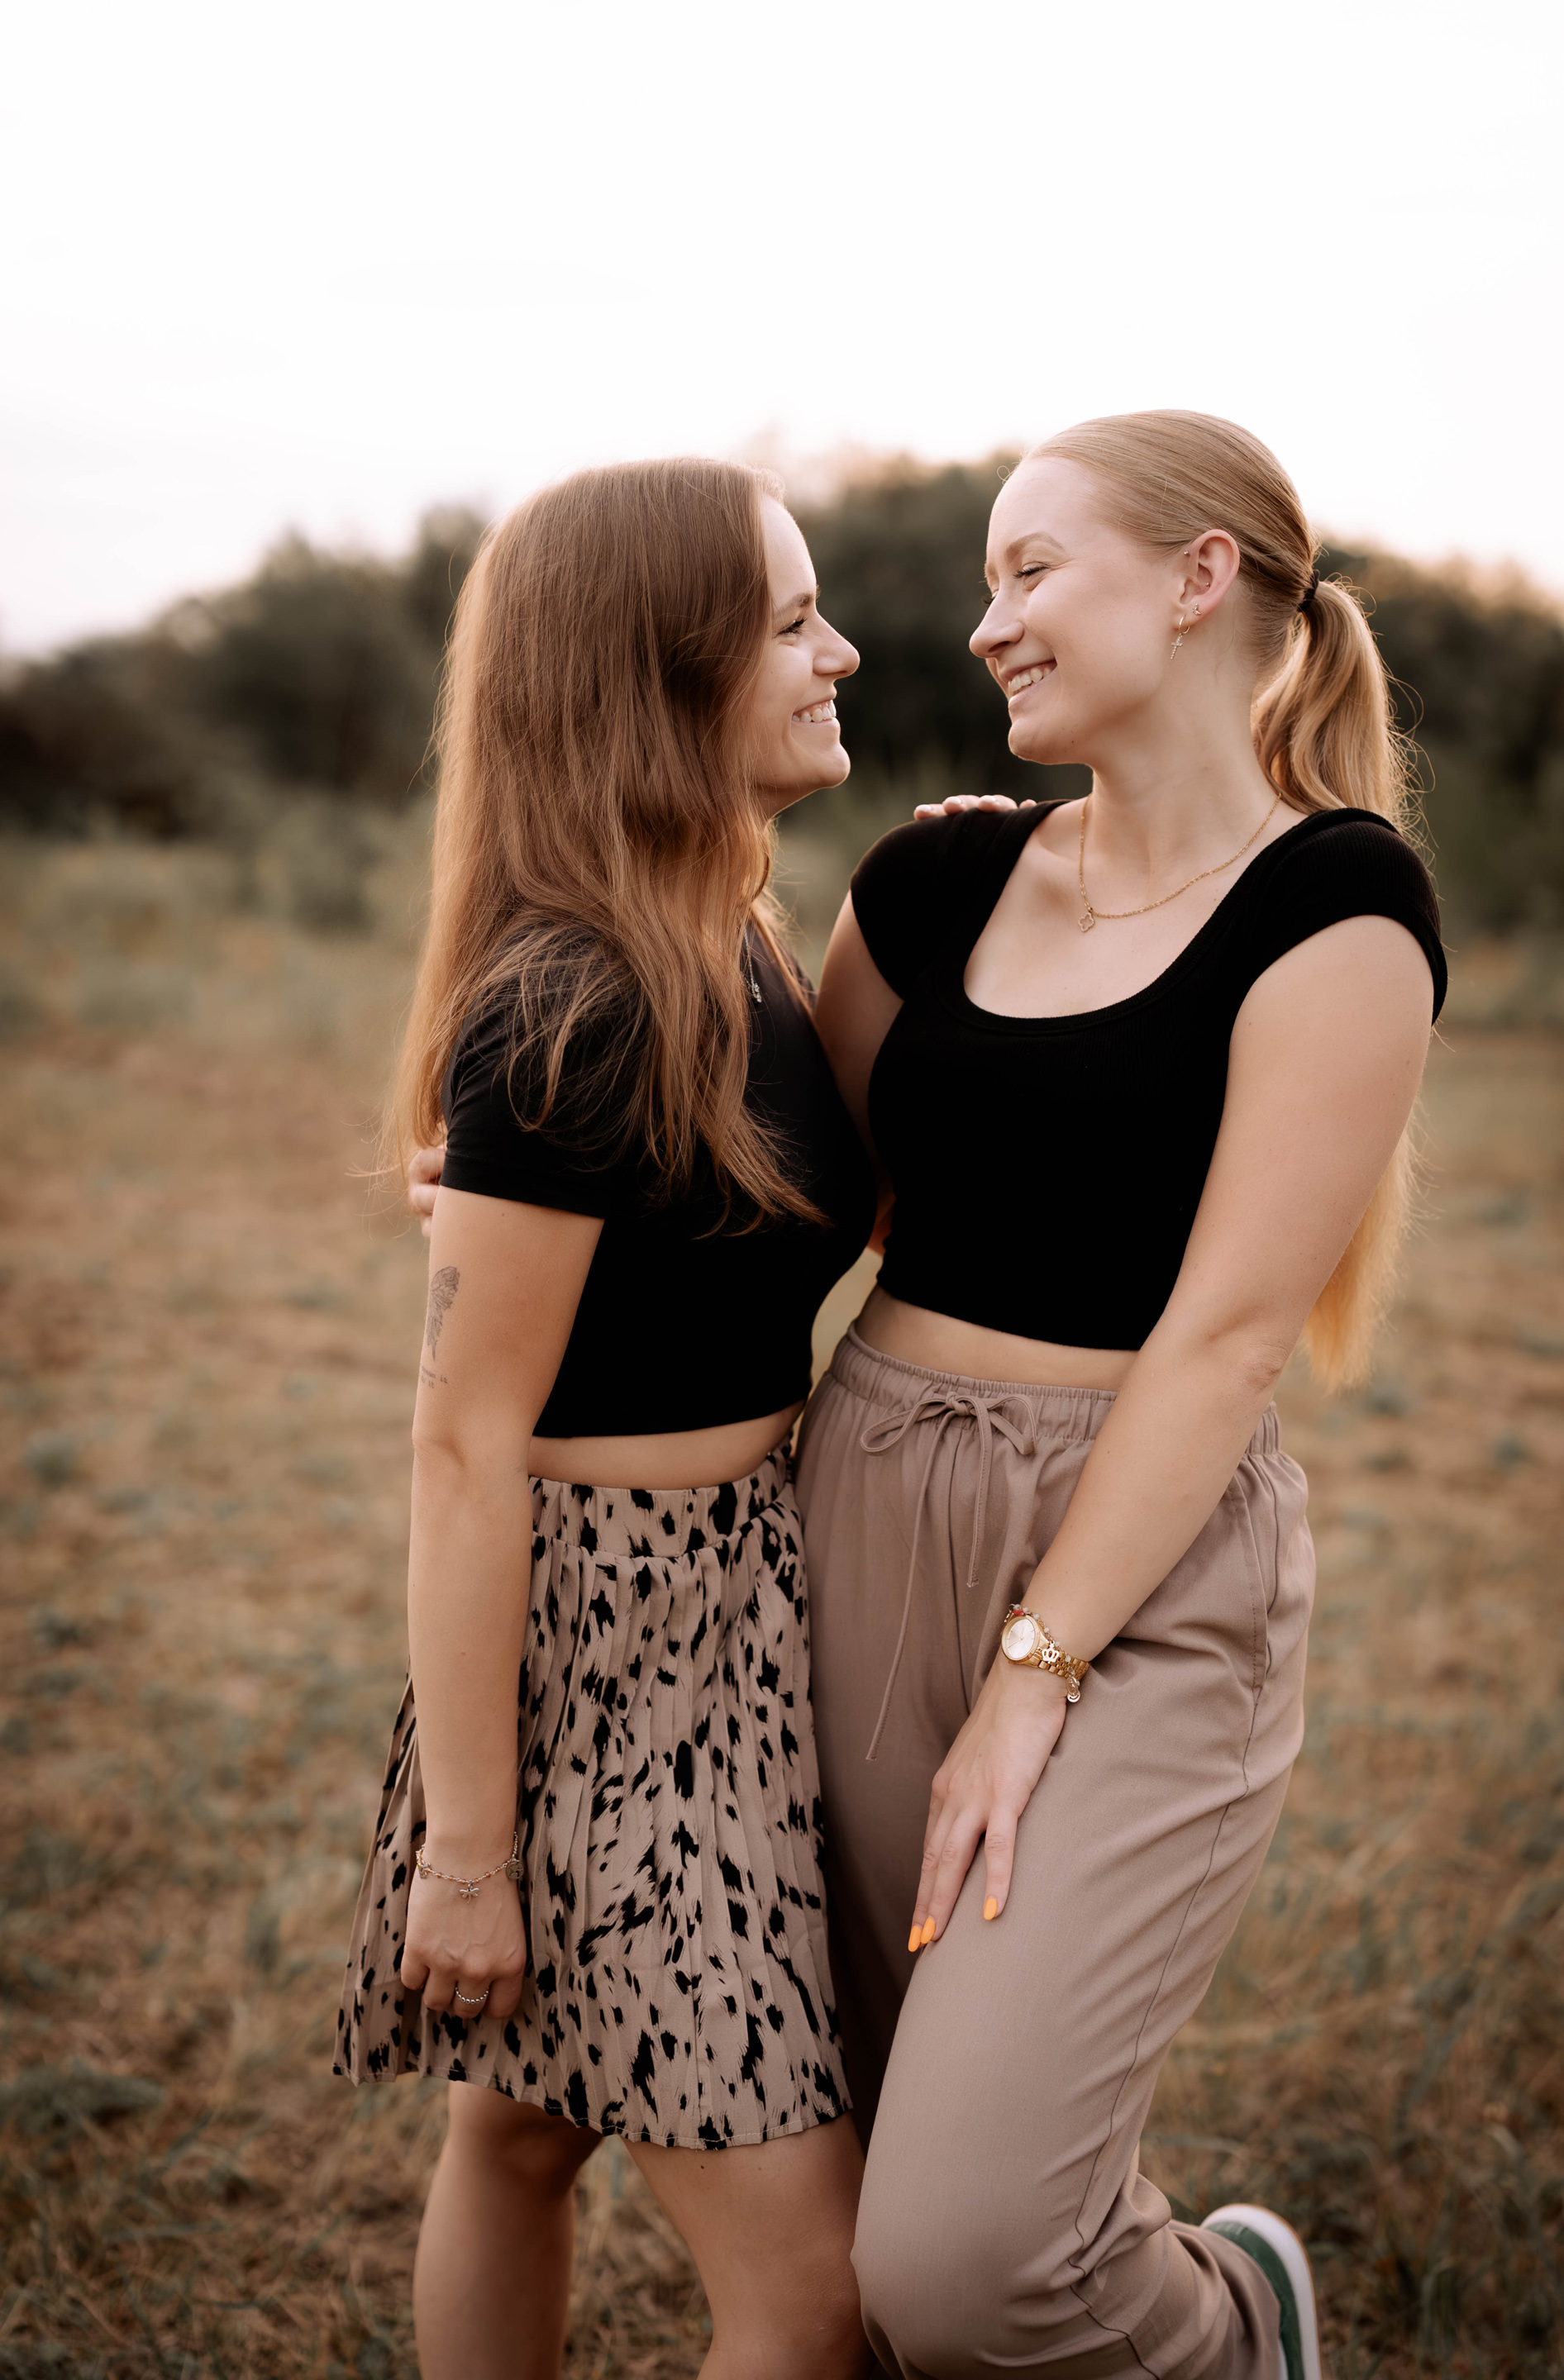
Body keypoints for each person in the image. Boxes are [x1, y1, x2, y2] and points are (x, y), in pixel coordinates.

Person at [798, 411, 1444, 2380]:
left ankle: (1241, 2329)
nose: (985, 622)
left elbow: (1230, 1336)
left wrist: (1034, 1670)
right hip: (861, 1508)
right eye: (984, 580)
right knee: (868, 2163)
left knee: (967, 2257)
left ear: (1197, 577)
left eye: (1029, 570)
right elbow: (774, 1192)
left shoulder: (1337, 909)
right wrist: (514, 1170)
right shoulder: (932, 881)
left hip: (1136, 1570)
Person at [336, 459, 878, 2380]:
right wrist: (468, 1855)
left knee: (519, 2126)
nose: (841, 651)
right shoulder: (567, 1003)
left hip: (739, 1598)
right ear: (661, 674)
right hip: (604, 1649)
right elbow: (461, 1446)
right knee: (808, 2301)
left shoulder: (734, 938)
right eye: (792, 621)